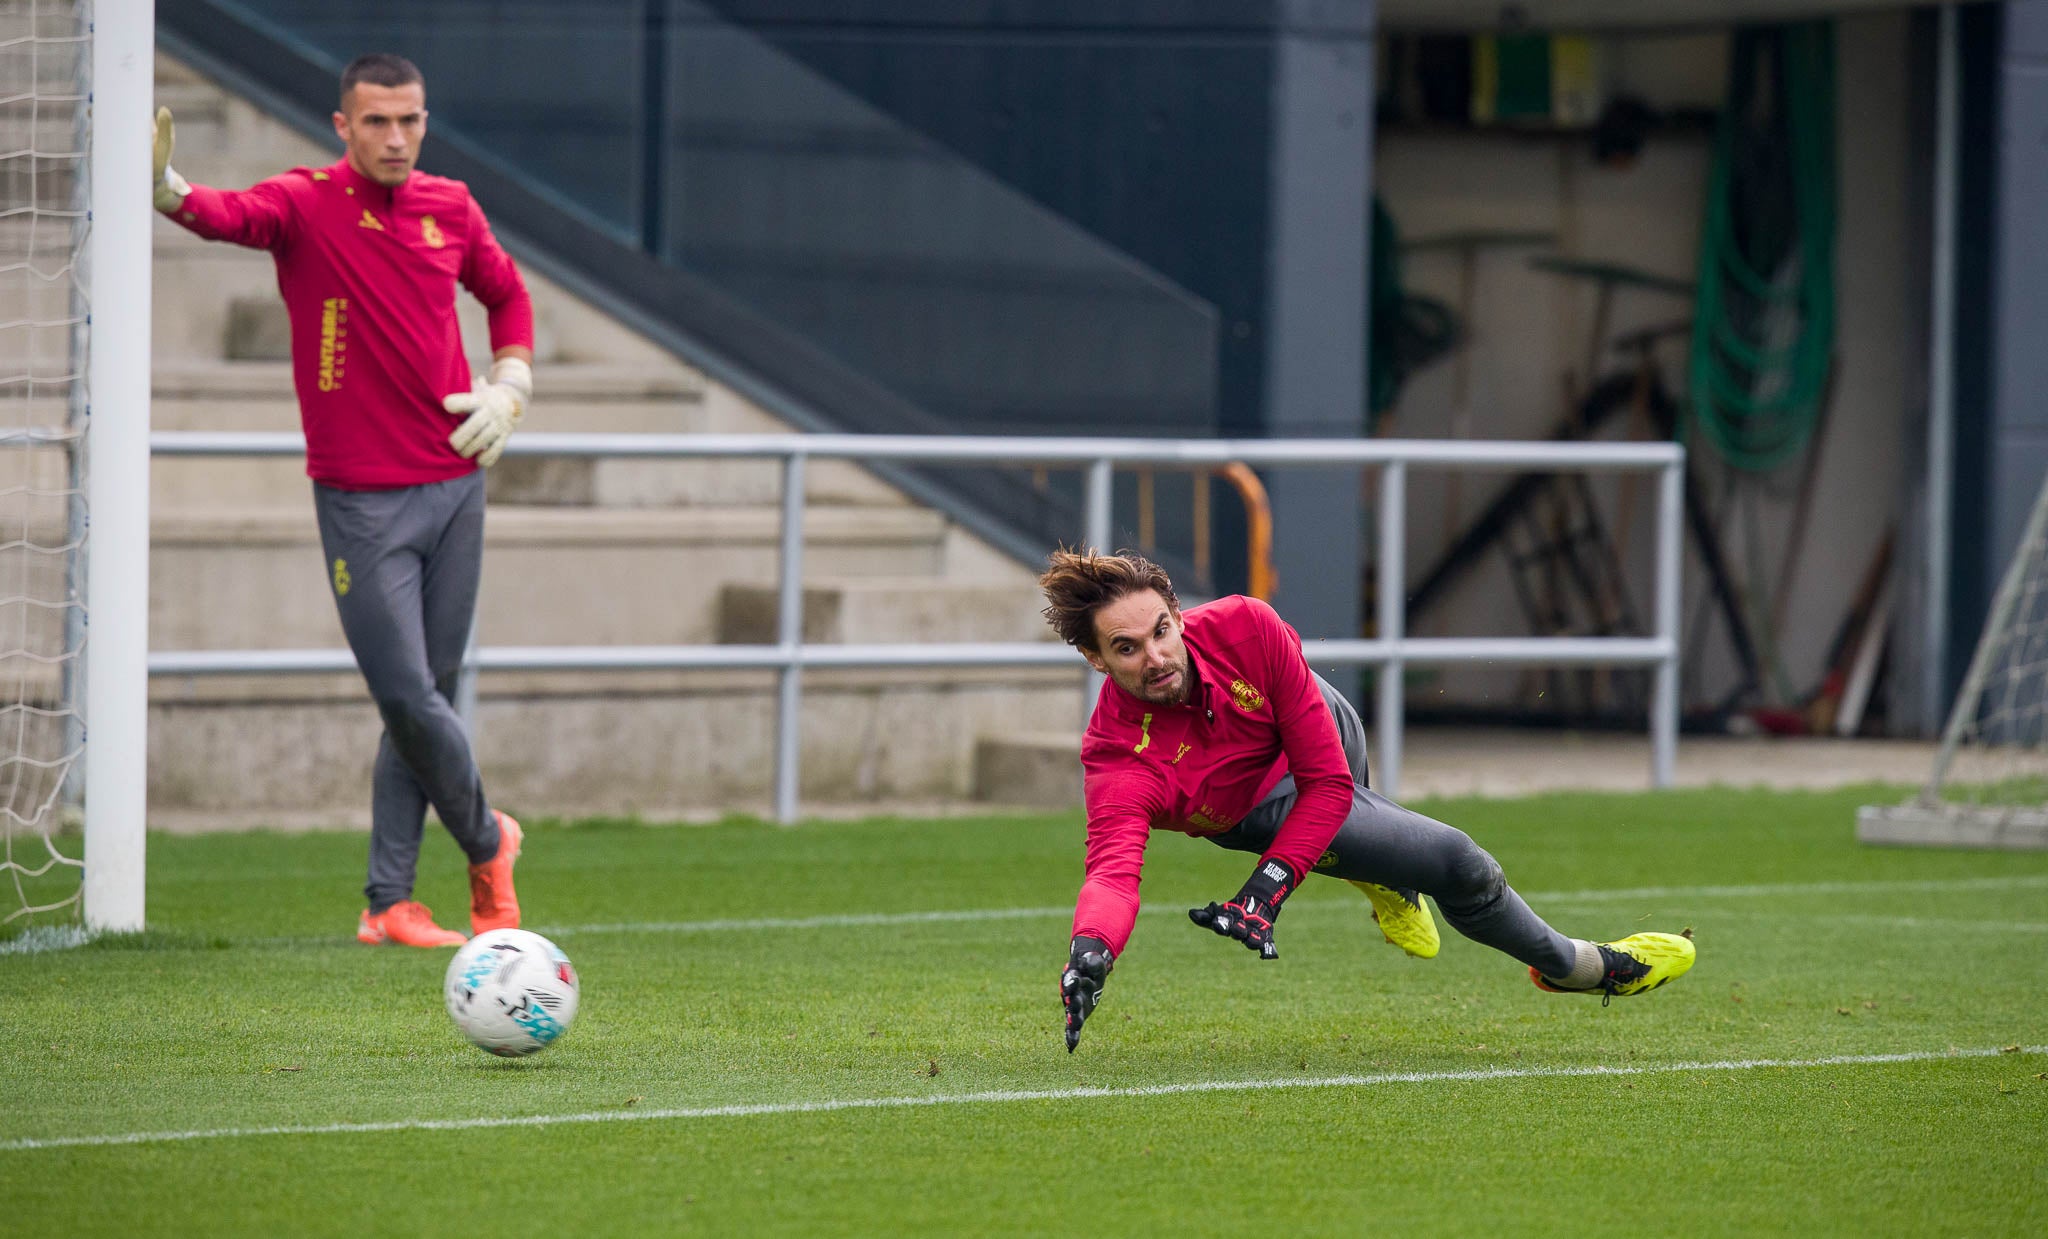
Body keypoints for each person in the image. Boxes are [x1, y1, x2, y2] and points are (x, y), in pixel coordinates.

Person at [153, 53, 531, 947]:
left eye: (409, 120)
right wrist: (165, 187)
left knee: (427, 694)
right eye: (376, 122)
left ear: (425, 121)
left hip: (455, 487)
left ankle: (387, 903)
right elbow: (225, 216)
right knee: (407, 694)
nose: (395, 138)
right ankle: (488, 839)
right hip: (361, 501)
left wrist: (510, 387)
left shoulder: (452, 206)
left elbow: (508, 294)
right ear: (342, 126)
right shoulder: (305, 202)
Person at [1040, 549, 1695, 1051]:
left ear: (1178, 616)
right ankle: (1578, 966)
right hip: (1266, 811)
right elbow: (1112, 875)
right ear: (1096, 659)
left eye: (1160, 630)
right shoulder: (1118, 757)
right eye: (1126, 647)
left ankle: (1380, 877)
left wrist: (1264, 893)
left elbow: (1328, 782)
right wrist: (1091, 950)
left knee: (1334, 740)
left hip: (1323, 747)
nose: (1155, 656)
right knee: (1462, 863)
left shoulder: (1246, 625)